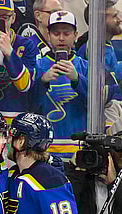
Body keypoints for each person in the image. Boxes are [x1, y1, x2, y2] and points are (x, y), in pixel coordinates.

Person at [32, 10, 88, 161]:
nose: (61, 38)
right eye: (56, 33)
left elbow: (96, 103)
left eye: (67, 33)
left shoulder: (85, 67)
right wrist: (43, 81)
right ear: (48, 35)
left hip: (78, 149)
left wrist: (76, 79)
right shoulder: (38, 65)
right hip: (45, 150)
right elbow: (28, 104)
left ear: (76, 35)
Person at [75, 0, 122, 73]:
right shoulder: (95, 50)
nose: (120, 20)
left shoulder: (103, 46)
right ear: (100, 21)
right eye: (114, 16)